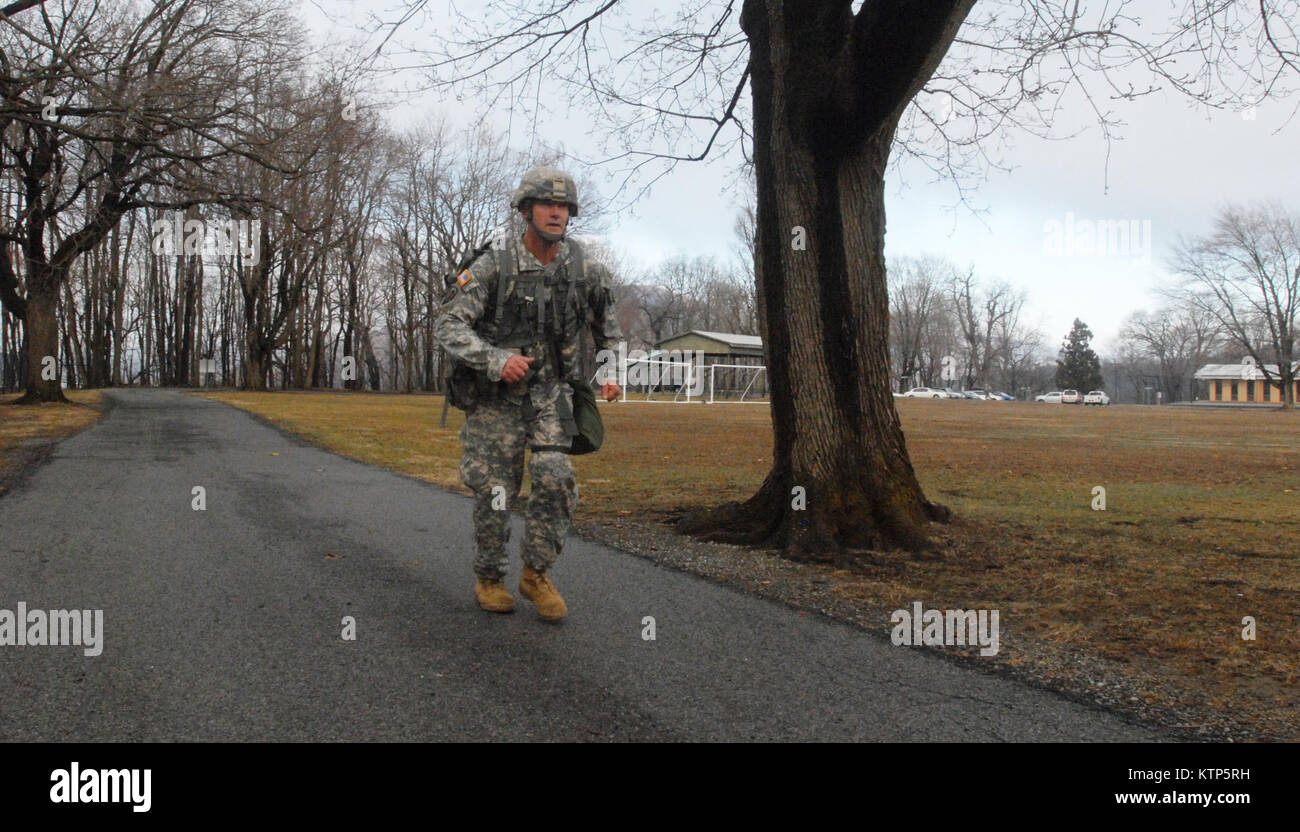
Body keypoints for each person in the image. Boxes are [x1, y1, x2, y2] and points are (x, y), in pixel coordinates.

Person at [433, 165, 623, 621]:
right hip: (495, 398)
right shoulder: (494, 263)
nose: (557, 213)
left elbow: (609, 332)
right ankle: (490, 576)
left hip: (550, 397)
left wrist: (610, 371)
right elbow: (448, 324)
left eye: (564, 207)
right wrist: (496, 359)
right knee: (496, 491)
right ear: (525, 210)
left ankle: (536, 574)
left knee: (556, 476)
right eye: (547, 204)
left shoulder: (585, 269)